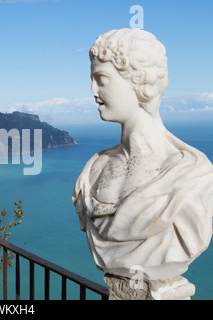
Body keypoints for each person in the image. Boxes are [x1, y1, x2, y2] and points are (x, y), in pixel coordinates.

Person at [72, 28, 213, 281]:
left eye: (101, 79)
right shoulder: (93, 170)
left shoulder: (193, 176)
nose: (93, 90)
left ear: (139, 83)